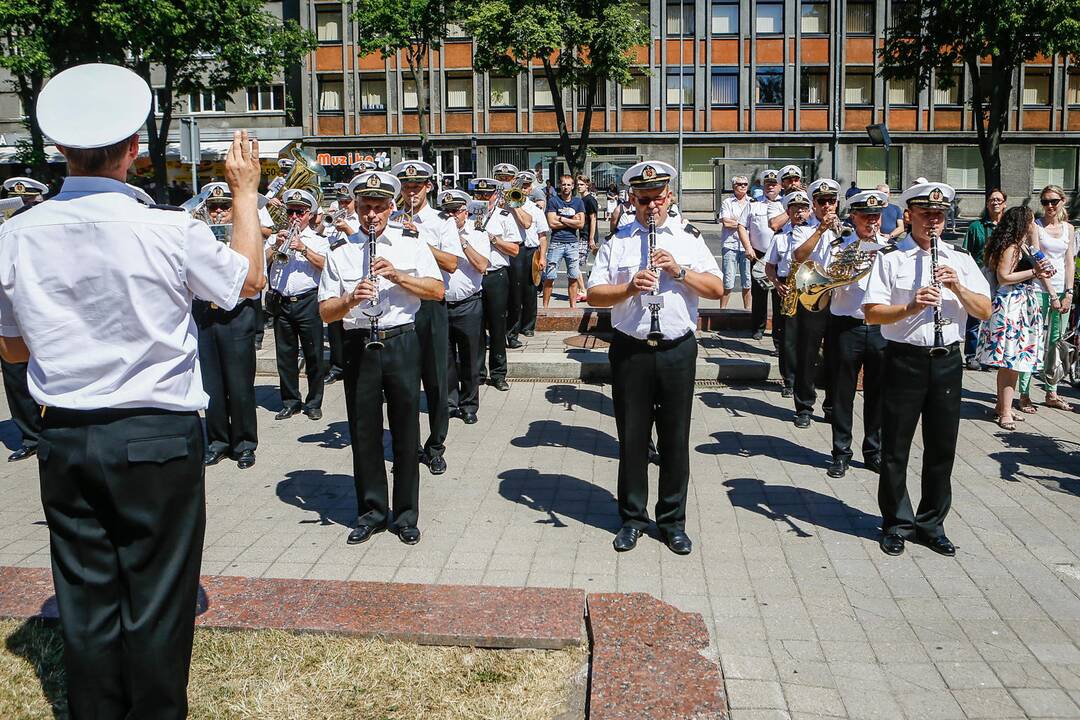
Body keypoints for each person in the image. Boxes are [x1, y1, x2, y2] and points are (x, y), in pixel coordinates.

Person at [0, 64, 265, 718]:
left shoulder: (13, 235)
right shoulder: (167, 229)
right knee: (158, 600)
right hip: (155, 433)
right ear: (134, 153)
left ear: (60, 150)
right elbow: (248, 282)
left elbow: (11, 347)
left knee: (86, 601)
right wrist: (247, 194)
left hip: (63, 431)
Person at [586, 160, 724, 556]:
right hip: (631, 350)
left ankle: (672, 521)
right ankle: (632, 518)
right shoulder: (619, 241)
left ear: (670, 197)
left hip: (677, 349)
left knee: (675, 440)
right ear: (633, 199)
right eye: (644, 199)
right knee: (631, 439)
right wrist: (629, 288)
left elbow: (717, 288)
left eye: (659, 198)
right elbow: (594, 294)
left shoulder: (689, 238)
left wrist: (679, 272)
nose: (652, 207)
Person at [863, 181, 991, 557]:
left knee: (941, 448)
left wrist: (958, 288)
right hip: (904, 358)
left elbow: (984, 310)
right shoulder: (890, 259)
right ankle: (896, 523)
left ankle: (931, 524)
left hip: (948, 361)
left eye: (939, 215)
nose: (933, 221)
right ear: (910, 216)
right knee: (896, 448)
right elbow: (872, 313)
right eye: (925, 215)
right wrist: (911, 307)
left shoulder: (961, 259)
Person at [318, 170, 444, 546]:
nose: (371, 215)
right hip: (360, 344)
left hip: (401, 340)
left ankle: (406, 515)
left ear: (391, 208)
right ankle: (372, 511)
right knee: (364, 432)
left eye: (378, 208)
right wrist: (349, 299)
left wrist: (399, 276)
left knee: (406, 431)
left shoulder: (411, 244)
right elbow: (325, 312)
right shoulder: (340, 251)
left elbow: (437, 290)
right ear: (355, 209)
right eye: (365, 208)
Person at [391, 160, 462, 476]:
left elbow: (451, 263)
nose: (411, 193)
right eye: (406, 187)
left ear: (428, 187)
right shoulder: (391, 219)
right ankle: (408, 447)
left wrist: (420, 239)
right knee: (403, 383)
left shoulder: (441, 221)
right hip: (401, 306)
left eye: (416, 187)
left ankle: (435, 447)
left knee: (435, 381)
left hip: (432, 305)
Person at [817, 190, 892, 477]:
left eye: (876, 216)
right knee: (841, 393)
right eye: (865, 216)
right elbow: (821, 285)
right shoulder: (838, 246)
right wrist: (839, 279)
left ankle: (874, 450)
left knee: (878, 392)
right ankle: (840, 453)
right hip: (845, 326)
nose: (871, 222)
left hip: (881, 328)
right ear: (854, 217)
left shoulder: (891, 248)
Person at [194, 182, 260, 469]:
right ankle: (218, 440)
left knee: (239, 383)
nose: (219, 213)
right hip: (205, 312)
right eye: (213, 208)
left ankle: (244, 443)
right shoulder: (197, 237)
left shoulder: (245, 237)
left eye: (224, 207)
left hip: (236, 313)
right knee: (212, 383)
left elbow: (256, 280)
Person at [976, 206, 1053, 429]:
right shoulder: (1011, 247)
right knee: (1010, 361)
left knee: (1016, 361)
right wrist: (1034, 273)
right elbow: (1004, 277)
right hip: (1011, 305)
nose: (1034, 224)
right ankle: (1005, 411)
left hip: (1022, 304)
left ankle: (1003, 407)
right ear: (1022, 223)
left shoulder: (1023, 246)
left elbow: (1037, 255)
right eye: (1030, 221)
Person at [267, 188, 328, 421]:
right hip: (281, 302)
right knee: (285, 355)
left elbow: (326, 267)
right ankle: (290, 401)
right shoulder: (277, 238)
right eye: (291, 211)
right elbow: (261, 262)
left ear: (310, 214)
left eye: (300, 213)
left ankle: (314, 402)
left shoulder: (318, 240)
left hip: (308, 301)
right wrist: (276, 246)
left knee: (313, 355)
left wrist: (303, 248)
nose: (294, 217)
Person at [789, 178, 843, 428]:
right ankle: (804, 406)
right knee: (808, 352)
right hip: (812, 296)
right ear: (813, 204)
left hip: (840, 299)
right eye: (822, 201)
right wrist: (821, 229)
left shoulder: (846, 229)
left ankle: (832, 404)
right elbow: (798, 255)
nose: (828, 206)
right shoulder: (803, 228)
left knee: (837, 354)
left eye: (832, 201)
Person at [0, 177, 47, 462]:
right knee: (15, 376)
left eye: (30, 201)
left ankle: (52, 428)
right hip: (9, 311)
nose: (25, 206)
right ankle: (30, 436)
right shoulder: (6, 228)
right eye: (21, 202)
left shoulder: (48, 226)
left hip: (43, 310)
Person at [1019, 185, 1075, 412]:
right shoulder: (1036, 226)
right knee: (1032, 340)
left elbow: (1069, 261)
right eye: (1045, 201)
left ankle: (1052, 391)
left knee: (1056, 342)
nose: (1049, 206)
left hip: (1063, 290)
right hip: (1040, 290)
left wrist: (1069, 293)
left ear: (1062, 201)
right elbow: (1037, 261)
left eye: (1054, 201)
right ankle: (1023, 393)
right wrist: (1052, 293)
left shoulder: (1069, 228)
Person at [439, 189, 491, 423]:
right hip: (441, 303)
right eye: (447, 212)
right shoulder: (437, 232)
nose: (452, 216)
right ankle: (450, 402)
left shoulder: (478, 233)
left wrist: (462, 243)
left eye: (456, 212)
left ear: (466, 212)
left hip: (468, 304)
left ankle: (469, 405)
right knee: (446, 357)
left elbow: (482, 266)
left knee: (470, 357)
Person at [764, 190, 814, 398]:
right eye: (795, 210)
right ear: (788, 212)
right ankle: (789, 380)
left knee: (809, 334)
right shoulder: (780, 238)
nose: (799, 213)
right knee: (788, 337)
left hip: (809, 285)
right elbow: (769, 266)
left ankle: (809, 376)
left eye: (803, 209)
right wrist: (776, 283)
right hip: (786, 286)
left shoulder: (815, 234)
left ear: (809, 212)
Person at [474, 177, 518, 392]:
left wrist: (493, 239)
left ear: (496, 195)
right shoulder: (468, 216)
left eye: (487, 195)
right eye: (479, 195)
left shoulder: (504, 216)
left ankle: (499, 373)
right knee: (476, 327)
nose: (483, 199)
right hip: (474, 275)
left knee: (498, 327)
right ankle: (479, 372)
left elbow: (515, 249)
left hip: (496, 275)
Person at [962, 189, 1006, 369]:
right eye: (991, 200)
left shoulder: (1007, 227)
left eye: (998, 200)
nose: (995, 202)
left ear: (1004, 204)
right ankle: (972, 355)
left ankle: (992, 355)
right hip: (979, 274)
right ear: (987, 204)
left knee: (997, 316)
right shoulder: (976, 227)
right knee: (974, 316)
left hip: (1002, 276)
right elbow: (966, 253)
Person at [506, 168, 547, 343]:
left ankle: (528, 325)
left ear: (530, 189)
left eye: (527, 186)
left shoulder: (535, 209)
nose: (524, 189)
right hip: (515, 250)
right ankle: (513, 326)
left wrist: (543, 256)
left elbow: (542, 235)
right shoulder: (508, 205)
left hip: (531, 251)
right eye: (520, 186)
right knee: (514, 290)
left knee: (530, 289)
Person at [323, 182, 357, 385]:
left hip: (353, 276)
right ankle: (337, 367)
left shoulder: (358, 219)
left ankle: (352, 363)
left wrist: (348, 228)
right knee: (334, 326)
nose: (344, 205)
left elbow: (363, 245)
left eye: (347, 201)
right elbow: (321, 236)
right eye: (341, 201)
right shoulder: (335, 219)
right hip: (335, 276)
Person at [745, 169, 785, 342]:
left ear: (780, 185)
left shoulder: (787, 204)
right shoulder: (753, 203)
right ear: (763, 185)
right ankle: (757, 328)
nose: (771, 187)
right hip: (759, 254)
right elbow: (741, 225)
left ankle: (778, 335)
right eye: (768, 183)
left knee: (779, 297)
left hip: (782, 258)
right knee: (759, 295)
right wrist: (748, 247)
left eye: (774, 183)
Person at [543, 174, 586, 309]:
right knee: (549, 277)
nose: (566, 187)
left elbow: (581, 224)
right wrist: (571, 220)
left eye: (569, 185)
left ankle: (573, 308)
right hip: (556, 243)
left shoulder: (578, 202)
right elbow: (551, 223)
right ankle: (545, 308)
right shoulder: (553, 201)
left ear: (572, 186)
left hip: (572, 244)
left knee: (573, 277)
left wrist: (561, 219)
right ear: (560, 186)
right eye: (563, 184)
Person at [718, 175, 753, 309]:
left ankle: (748, 312)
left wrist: (736, 223)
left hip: (747, 247)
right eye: (739, 184)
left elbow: (753, 224)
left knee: (747, 282)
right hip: (730, 246)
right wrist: (744, 225)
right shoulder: (728, 202)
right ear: (734, 187)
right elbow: (726, 222)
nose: (743, 186)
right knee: (728, 282)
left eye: (745, 184)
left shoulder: (752, 202)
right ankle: (722, 311)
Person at [576, 175, 599, 302]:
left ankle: (583, 290)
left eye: (581, 184)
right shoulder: (581, 200)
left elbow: (593, 219)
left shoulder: (589, 200)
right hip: (582, 235)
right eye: (578, 184)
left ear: (587, 186)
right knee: (584, 264)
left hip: (587, 236)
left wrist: (591, 238)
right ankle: (584, 290)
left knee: (576, 264)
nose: (579, 186)